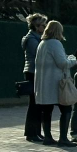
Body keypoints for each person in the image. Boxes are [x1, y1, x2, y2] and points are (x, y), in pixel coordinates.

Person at [34, 21, 77, 147]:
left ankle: (47, 137)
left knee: (47, 110)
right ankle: (63, 137)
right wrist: (73, 60)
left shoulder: (42, 43)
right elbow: (62, 63)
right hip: (56, 83)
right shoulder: (55, 43)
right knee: (66, 108)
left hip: (43, 83)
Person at [22, 13, 47, 143]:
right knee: (34, 104)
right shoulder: (32, 39)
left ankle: (36, 131)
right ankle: (31, 133)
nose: (45, 27)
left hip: (37, 72)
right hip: (33, 72)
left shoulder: (37, 38)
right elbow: (39, 54)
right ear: (36, 26)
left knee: (38, 104)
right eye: (43, 25)